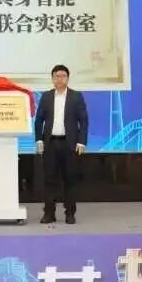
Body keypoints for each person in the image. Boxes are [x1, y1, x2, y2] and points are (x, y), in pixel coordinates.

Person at [34, 64, 88, 224]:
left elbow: (83, 121)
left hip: (70, 144)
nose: (60, 79)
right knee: (49, 180)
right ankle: (49, 213)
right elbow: (39, 120)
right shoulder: (46, 97)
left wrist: (82, 141)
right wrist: (38, 139)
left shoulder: (76, 96)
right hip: (50, 144)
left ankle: (70, 213)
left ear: (68, 78)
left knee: (70, 179)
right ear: (52, 79)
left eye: (63, 76)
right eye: (57, 76)